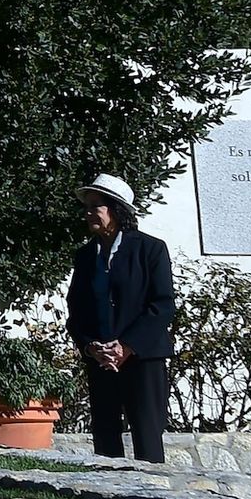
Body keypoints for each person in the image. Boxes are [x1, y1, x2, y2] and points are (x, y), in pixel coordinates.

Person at [64, 173, 174, 463]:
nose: (88, 213)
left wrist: (126, 346)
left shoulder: (150, 249)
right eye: (86, 207)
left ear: (116, 210)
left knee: (147, 436)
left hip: (143, 358)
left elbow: (162, 306)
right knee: (105, 435)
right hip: (101, 361)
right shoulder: (85, 256)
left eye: (95, 206)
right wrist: (91, 346)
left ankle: (151, 490)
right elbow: (77, 309)